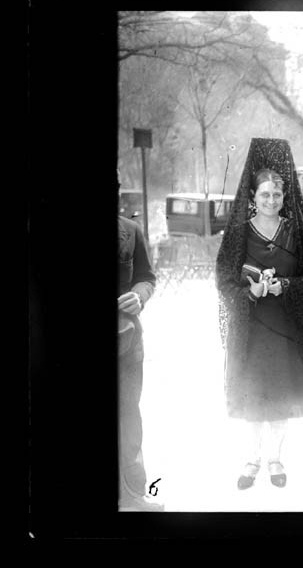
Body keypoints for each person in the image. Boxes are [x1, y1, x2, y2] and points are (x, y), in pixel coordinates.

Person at [216, 138, 303, 491]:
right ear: (253, 197)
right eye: (265, 195)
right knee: (253, 396)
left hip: (286, 326)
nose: (272, 201)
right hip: (251, 327)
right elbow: (224, 282)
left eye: (277, 195)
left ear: (285, 196)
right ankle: (251, 458)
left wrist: (286, 286)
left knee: (280, 396)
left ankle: (276, 457)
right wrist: (253, 291)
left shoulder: (297, 231)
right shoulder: (239, 234)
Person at [118, 179, 163, 512]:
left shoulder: (131, 230)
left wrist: (140, 295)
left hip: (126, 341)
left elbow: (147, 276)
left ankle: (135, 494)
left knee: (128, 415)